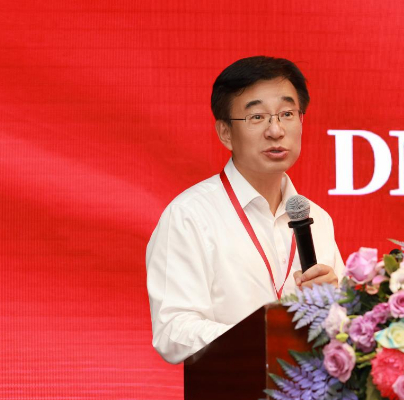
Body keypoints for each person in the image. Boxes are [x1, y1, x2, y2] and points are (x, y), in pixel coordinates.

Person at [146, 56, 345, 364]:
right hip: (232, 383)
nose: (276, 130)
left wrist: (336, 306)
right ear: (225, 132)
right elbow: (173, 331)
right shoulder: (190, 215)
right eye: (257, 117)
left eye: (287, 114)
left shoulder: (316, 218)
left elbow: (346, 330)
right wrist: (265, 339)